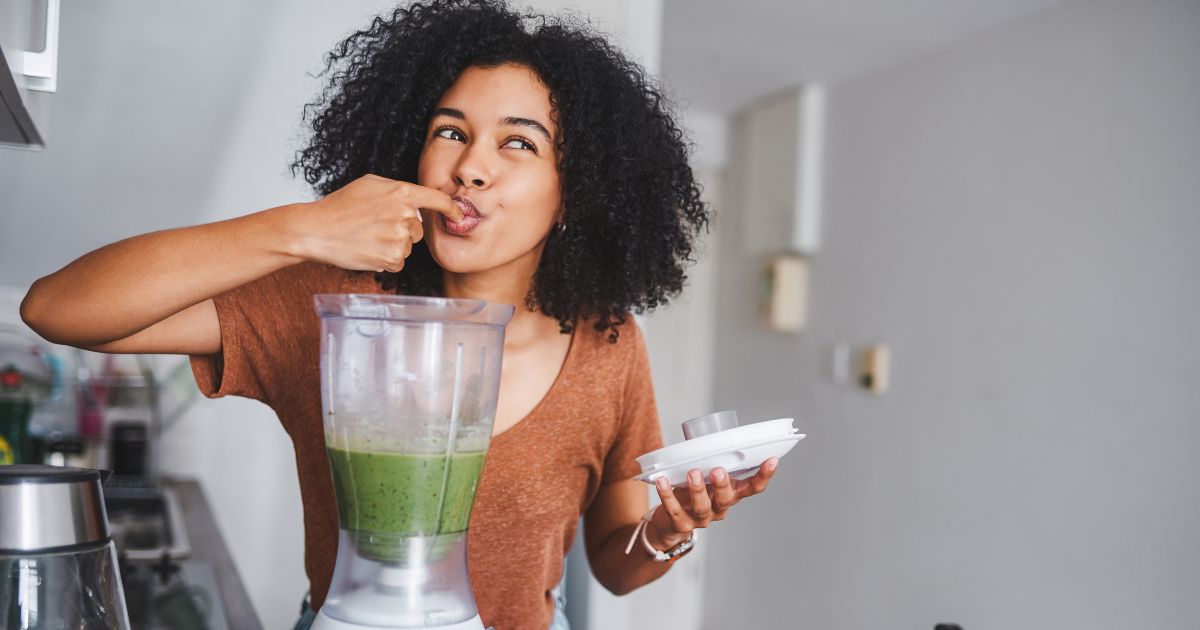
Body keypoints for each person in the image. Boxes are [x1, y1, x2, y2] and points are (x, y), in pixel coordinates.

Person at [20, 1, 780, 628]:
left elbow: (616, 565)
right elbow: (58, 308)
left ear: (575, 190)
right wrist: (303, 228)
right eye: (450, 132)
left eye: (518, 143)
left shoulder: (608, 345)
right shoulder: (336, 307)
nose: (469, 166)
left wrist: (667, 531)